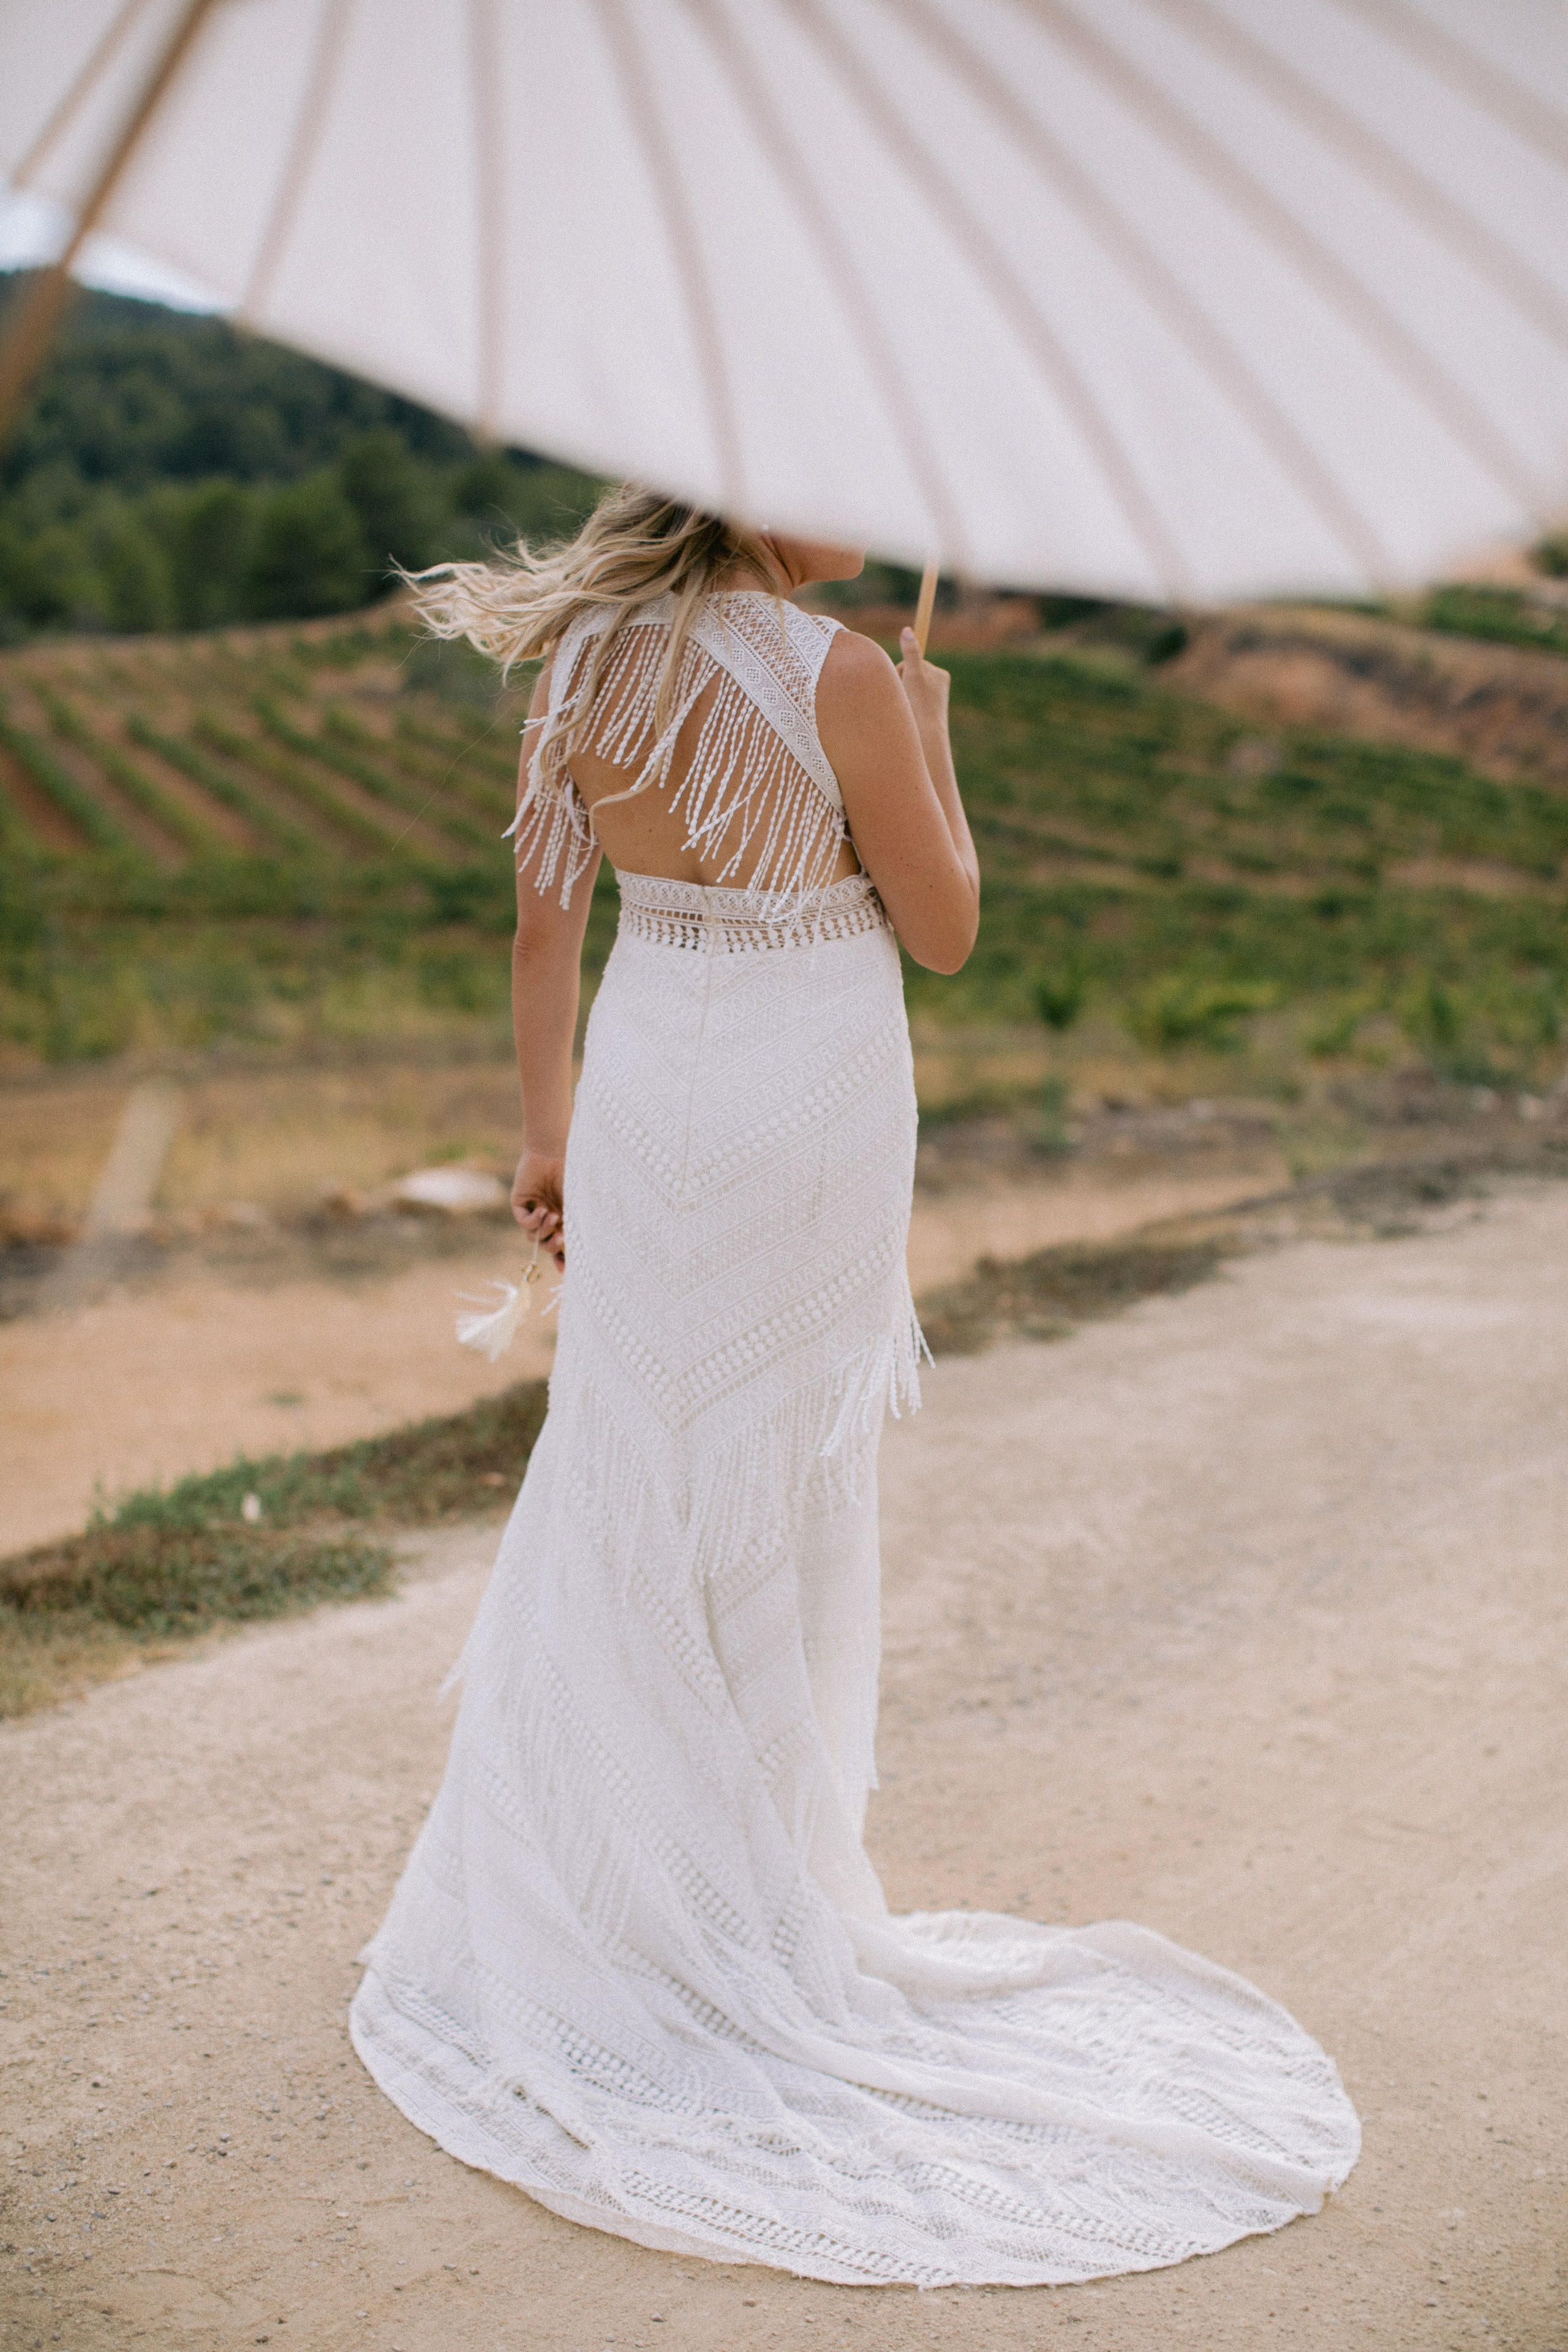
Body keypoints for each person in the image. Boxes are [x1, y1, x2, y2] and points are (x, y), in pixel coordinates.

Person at [352, 489, 1359, 2286]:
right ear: (743, 492)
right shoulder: (846, 677)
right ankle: (756, 1904)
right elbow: (946, 928)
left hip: (653, 1085)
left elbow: (538, 938)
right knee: (782, 1487)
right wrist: (940, 749)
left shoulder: (579, 663)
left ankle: (631, 1895)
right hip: (810, 1103)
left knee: (637, 1466)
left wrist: (544, 1132)